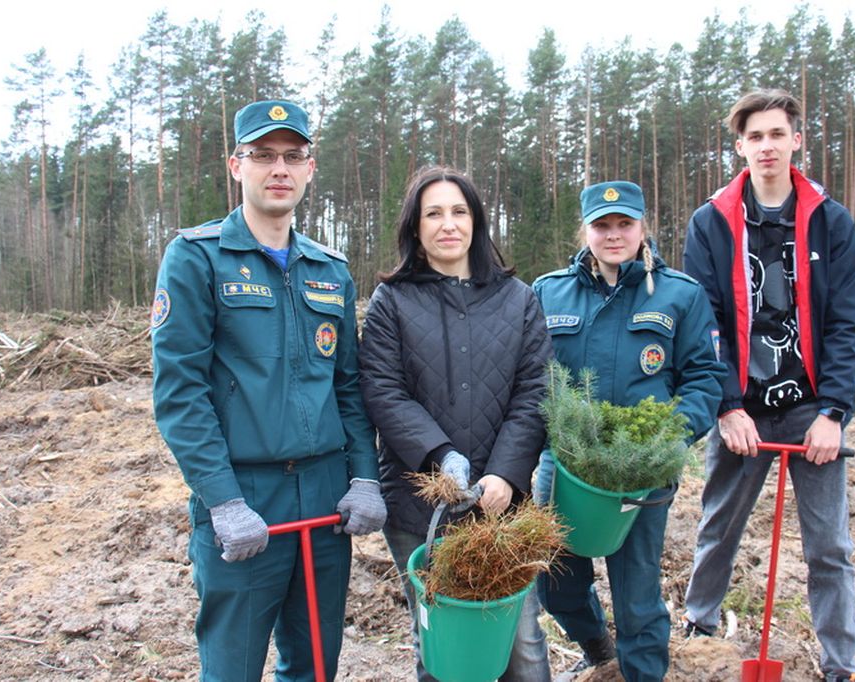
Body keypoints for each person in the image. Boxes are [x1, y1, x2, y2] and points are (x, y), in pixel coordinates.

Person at [151, 99, 386, 681]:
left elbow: (349, 389)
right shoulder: (196, 257)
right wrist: (223, 500)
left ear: (309, 168)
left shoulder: (329, 270)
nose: (278, 168)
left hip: (325, 497)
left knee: (316, 665)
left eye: (292, 155)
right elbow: (180, 393)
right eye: (263, 155)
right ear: (237, 166)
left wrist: (363, 477)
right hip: (244, 495)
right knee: (232, 667)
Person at [681, 89, 855, 682]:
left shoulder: (830, 220)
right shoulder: (711, 222)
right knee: (719, 524)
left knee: (829, 547)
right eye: (755, 136)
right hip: (743, 412)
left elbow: (844, 324)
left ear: (796, 140)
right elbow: (703, 323)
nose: (767, 146)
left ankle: (841, 661)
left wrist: (834, 412)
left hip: (810, 409)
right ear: (740, 146)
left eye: (777, 134)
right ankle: (700, 624)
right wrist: (727, 407)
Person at [358, 166, 554, 682]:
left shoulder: (518, 299)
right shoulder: (392, 303)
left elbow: (535, 392)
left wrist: (506, 476)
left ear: (477, 221)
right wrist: (441, 456)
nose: (448, 224)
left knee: (523, 648)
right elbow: (383, 390)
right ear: (415, 228)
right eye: (434, 214)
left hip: (504, 509)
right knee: (443, 650)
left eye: (459, 211)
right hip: (419, 506)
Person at [532, 180, 725, 682]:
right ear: (586, 229)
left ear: (643, 227)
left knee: (636, 594)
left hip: (642, 469)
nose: (614, 235)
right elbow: (529, 379)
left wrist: (667, 442)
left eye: (625, 224)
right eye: (602, 225)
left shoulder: (681, 294)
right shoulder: (548, 291)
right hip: (566, 467)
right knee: (556, 584)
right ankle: (599, 649)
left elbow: (705, 377)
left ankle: (643, 674)